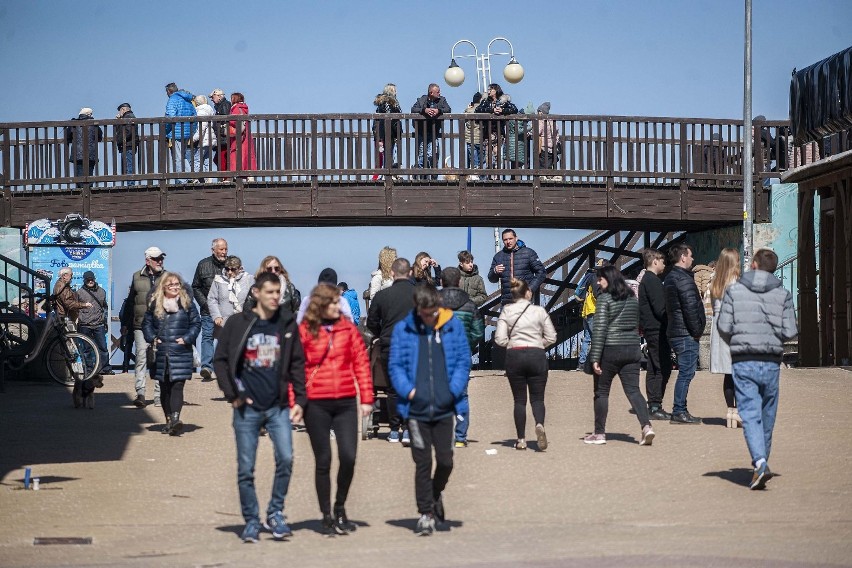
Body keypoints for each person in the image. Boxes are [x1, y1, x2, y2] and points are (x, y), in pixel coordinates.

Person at [213, 272, 306, 542]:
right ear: (256, 293)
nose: (276, 297)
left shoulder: (286, 322)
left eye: (278, 292)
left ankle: (275, 513)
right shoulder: (237, 323)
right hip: (246, 407)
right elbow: (220, 360)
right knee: (246, 468)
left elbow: (297, 362)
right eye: (270, 292)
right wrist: (232, 395)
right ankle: (252, 521)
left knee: (286, 458)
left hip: (277, 406)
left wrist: (300, 400)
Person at [388, 284, 471, 536]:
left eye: (433, 312)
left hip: (445, 405)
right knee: (422, 462)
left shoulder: (451, 324)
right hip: (416, 409)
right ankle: (425, 513)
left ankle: (435, 494)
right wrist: (410, 392)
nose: (430, 318)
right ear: (417, 309)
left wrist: (453, 391)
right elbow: (396, 366)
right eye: (425, 314)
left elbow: (462, 360)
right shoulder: (405, 328)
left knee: (445, 460)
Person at [716, 248, 797, 490]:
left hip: (743, 360)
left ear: (753, 265)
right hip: (771, 361)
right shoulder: (783, 294)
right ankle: (761, 464)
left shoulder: (734, 291)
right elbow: (791, 331)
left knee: (750, 413)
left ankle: (760, 462)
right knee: (767, 415)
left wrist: (739, 341)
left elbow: (724, 326)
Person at [299, 283, 373, 536]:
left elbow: (362, 364)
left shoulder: (348, 330)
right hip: (315, 403)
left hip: (344, 402)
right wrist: (294, 403)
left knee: (349, 457)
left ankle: (340, 506)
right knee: (324, 460)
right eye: (331, 302)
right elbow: (293, 370)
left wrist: (366, 398)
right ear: (319, 304)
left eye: (337, 302)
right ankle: (327, 516)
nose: (337, 306)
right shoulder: (305, 331)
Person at [584, 266, 655, 446]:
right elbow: (639, 323)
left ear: (609, 279)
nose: (598, 283)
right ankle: (646, 426)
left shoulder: (604, 299)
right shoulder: (632, 299)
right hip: (632, 349)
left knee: (601, 392)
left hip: (610, 350)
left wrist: (595, 358)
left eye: (600, 279)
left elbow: (599, 330)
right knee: (633, 390)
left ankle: (599, 434)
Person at [494, 278, 557, 450]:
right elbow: (552, 336)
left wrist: (512, 344)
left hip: (515, 356)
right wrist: (538, 344)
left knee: (519, 400)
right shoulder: (539, 311)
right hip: (536, 355)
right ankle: (539, 424)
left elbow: (499, 339)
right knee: (537, 398)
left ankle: (521, 439)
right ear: (527, 292)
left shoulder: (507, 311)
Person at [142, 272, 201, 436]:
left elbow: (196, 323)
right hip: (160, 351)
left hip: (181, 351)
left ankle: (175, 418)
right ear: (163, 287)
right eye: (171, 285)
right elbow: (146, 324)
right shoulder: (154, 303)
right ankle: (168, 420)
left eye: (177, 284)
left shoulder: (187, 303)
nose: (175, 287)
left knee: (177, 385)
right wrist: (153, 338)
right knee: (164, 387)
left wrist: (188, 338)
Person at [367, 258, 415, 445]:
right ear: (410, 272)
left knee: (393, 389)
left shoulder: (382, 296)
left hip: (390, 344)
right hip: (414, 345)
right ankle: (409, 428)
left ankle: (394, 430)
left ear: (392, 273)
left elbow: (372, 322)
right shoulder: (419, 294)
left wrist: (381, 334)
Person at [439, 267, 484, 447]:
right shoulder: (470, 304)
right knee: (462, 395)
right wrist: (468, 346)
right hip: (461, 354)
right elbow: (478, 331)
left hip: (439, 354)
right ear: (459, 282)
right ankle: (460, 437)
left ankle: (441, 434)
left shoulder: (435, 303)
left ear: (442, 282)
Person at [664, 243, 706, 424]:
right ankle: (679, 411)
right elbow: (690, 307)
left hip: (676, 330)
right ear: (683, 257)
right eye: (690, 256)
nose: (692, 259)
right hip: (685, 332)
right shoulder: (683, 279)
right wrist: (697, 331)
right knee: (686, 373)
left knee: (685, 372)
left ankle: (680, 410)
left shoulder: (671, 277)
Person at [120, 246, 167, 408]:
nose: (159, 261)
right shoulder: (136, 277)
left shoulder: (167, 277)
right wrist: (125, 324)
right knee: (141, 357)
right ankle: (140, 393)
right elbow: (130, 302)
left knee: (159, 360)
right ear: (147, 261)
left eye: (161, 258)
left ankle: (158, 396)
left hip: (161, 325)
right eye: (156, 258)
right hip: (140, 324)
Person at [708, 248, 741, 428]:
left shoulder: (715, 282)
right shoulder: (736, 284)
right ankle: (740, 413)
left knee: (728, 374)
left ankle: (731, 411)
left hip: (719, 328)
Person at [637, 249, 672, 419]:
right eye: (663, 261)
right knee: (662, 366)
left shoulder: (646, 280)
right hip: (657, 329)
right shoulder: (653, 281)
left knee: (653, 365)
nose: (664, 264)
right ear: (655, 261)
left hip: (650, 329)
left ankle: (653, 404)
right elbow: (660, 309)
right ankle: (655, 405)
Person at [192, 238, 229, 380]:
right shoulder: (203, 265)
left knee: (226, 338)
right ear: (213, 250)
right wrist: (204, 304)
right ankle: (206, 367)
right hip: (208, 310)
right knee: (207, 336)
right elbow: (195, 287)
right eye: (221, 249)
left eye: (225, 249)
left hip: (227, 310)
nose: (224, 252)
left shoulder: (231, 264)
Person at [488, 229, 546, 305]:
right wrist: (495, 271)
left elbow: (541, 272)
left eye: (510, 238)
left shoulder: (528, 253)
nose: (508, 242)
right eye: (505, 240)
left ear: (516, 238)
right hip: (506, 302)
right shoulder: (498, 256)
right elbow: (491, 279)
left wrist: (530, 289)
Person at [76, 270, 112, 376]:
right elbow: (75, 306)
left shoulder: (102, 291)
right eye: (88, 280)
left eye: (92, 279)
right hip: (84, 325)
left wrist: (104, 320)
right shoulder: (79, 293)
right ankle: (89, 370)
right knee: (86, 349)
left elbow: (105, 307)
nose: (90, 281)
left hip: (99, 324)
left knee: (103, 348)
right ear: (84, 280)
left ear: (94, 279)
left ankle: (105, 369)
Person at [411, 83, 451, 179]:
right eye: (437, 92)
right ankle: (422, 176)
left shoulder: (442, 100)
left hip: (434, 132)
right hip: (421, 131)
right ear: (431, 92)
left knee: (433, 155)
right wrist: (424, 110)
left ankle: (433, 176)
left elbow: (448, 109)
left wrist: (439, 111)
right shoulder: (422, 100)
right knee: (422, 154)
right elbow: (413, 109)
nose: (439, 93)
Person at [476, 84, 518, 173]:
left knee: (497, 151)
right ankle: (489, 173)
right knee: (488, 152)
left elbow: (514, 109)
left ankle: (497, 173)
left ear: (496, 90)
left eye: (490, 90)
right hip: (487, 131)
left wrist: (503, 111)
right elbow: (478, 110)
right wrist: (491, 110)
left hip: (498, 131)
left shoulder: (503, 101)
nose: (488, 91)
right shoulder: (485, 101)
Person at [208, 255, 255, 333]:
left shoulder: (249, 279)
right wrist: (216, 316)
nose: (229, 272)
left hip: (244, 321)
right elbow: (212, 299)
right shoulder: (218, 280)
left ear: (240, 269)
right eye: (227, 269)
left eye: (233, 269)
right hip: (224, 323)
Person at [164, 82, 197, 184]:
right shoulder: (188, 100)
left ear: (169, 91)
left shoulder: (173, 100)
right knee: (182, 155)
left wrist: (166, 130)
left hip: (177, 131)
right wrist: (192, 130)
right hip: (187, 131)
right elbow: (194, 116)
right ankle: (190, 176)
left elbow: (170, 116)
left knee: (178, 157)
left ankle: (183, 179)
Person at [576, 258, 605, 371]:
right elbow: (597, 295)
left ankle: (581, 363)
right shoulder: (596, 278)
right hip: (594, 310)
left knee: (587, 338)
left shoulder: (589, 276)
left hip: (586, 311)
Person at [65, 107, 103, 188]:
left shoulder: (74, 124)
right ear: (89, 114)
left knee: (79, 174)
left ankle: (81, 190)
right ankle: (88, 190)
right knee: (89, 174)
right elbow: (99, 136)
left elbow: (67, 136)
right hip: (91, 153)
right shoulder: (94, 124)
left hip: (77, 153)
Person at [372, 83, 402, 180]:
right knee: (389, 153)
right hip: (388, 132)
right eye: (395, 90)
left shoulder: (381, 104)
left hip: (382, 132)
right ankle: (387, 175)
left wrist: (377, 135)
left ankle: (385, 174)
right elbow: (393, 120)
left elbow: (376, 122)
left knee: (386, 154)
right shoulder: (391, 104)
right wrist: (397, 133)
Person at [228, 92, 257, 179]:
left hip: (238, 135)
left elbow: (233, 121)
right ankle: (249, 174)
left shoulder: (236, 108)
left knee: (236, 153)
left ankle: (236, 174)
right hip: (246, 134)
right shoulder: (244, 108)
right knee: (247, 154)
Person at [192, 94, 216, 182]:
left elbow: (201, 127)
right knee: (206, 160)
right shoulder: (210, 110)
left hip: (203, 140)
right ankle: (208, 179)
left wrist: (194, 139)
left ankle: (195, 178)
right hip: (210, 139)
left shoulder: (201, 111)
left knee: (197, 159)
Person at [114, 103, 138, 185]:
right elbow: (119, 131)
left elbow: (128, 132)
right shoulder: (127, 117)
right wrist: (118, 121)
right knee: (127, 165)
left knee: (129, 165)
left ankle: (130, 184)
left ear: (123, 109)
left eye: (120, 111)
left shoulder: (129, 117)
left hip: (128, 144)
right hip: (127, 144)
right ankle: (130, 183)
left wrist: (120, 140)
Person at [534, 102, 560, 177]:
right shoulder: (552, 121)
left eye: (538, 112)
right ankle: (549, 177)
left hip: (543, 146)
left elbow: (537, 131)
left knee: (542, 164)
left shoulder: (541, 121)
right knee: (549, 164)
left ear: (541, 112)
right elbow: (557, 134)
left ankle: (543, 179)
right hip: (552, 147)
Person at [209, 88, 231, 170]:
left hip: (223, 138)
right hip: (222, 137)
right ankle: (226, 177)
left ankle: (226, 178)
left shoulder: (224, 105)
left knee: (221, 159)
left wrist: (221, 131)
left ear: (218, 96)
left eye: (213, 97)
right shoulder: (221, 105)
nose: (212, 99)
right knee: (220, 159)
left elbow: (225, 120)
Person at [464, 92, 484, 179]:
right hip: (480, 137)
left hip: (470, 138)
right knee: (481, 159)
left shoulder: (468, 111)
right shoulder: (482, 110)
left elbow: (464, 120)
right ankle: (482, 176)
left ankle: (474, 175)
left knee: (473, 158)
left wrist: (467, 108)